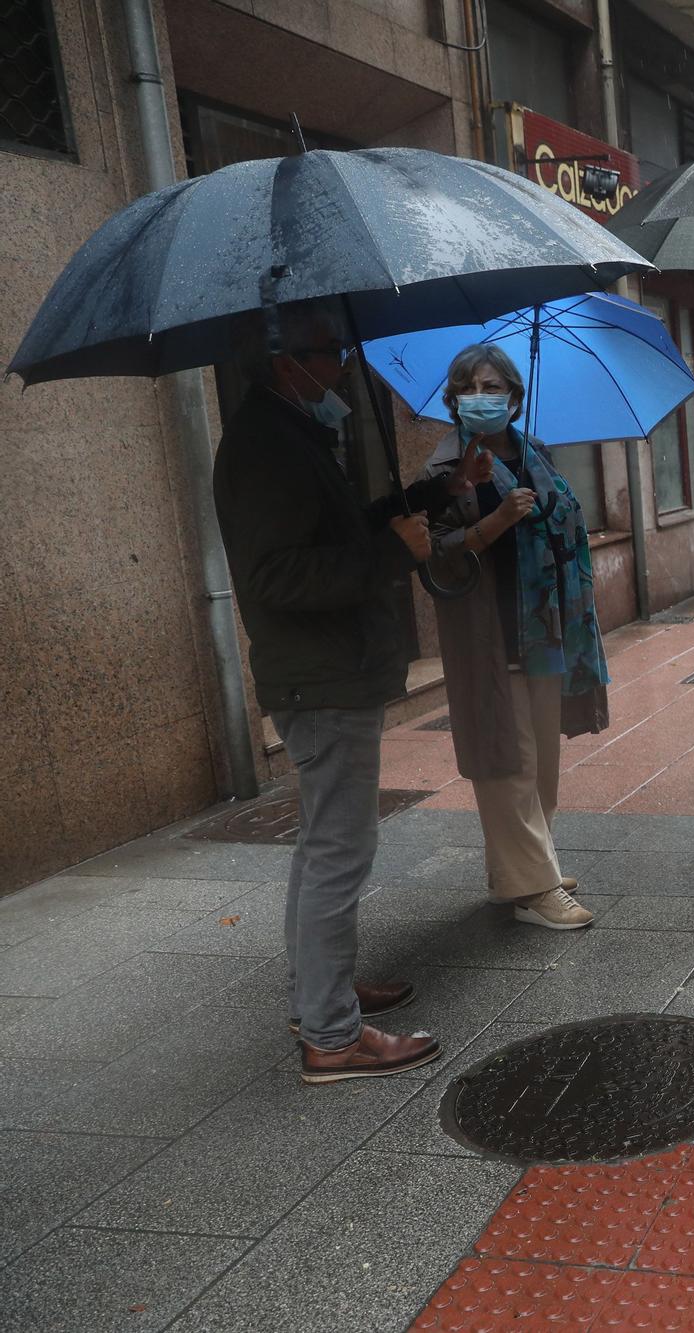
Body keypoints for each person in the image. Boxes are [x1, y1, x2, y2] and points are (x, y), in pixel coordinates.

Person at [212, 301, 482, 1083]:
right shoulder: (265, 446)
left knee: (322, 843)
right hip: (320, 678)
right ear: (281, 360)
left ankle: (320, 990)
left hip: (325, 672)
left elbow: (341, 533)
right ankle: (331, 1033)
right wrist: (389, 556)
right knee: (340, 848)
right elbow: (279, 576)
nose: (340, 364)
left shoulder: (291, 433)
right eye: (325, 350)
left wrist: (430, 498)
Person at [422, 344, 609, 930]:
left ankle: (525, 866)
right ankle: (533, 887)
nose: (483, 398)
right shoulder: (444, 473)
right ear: (453, 400)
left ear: (515, 397)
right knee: (509, 760)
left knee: (543, 759)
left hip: (548, 630)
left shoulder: (537, 456)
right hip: (493, 632)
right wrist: (497, 518)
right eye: (470, 388)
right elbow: (435, 558)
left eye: (494, 386)